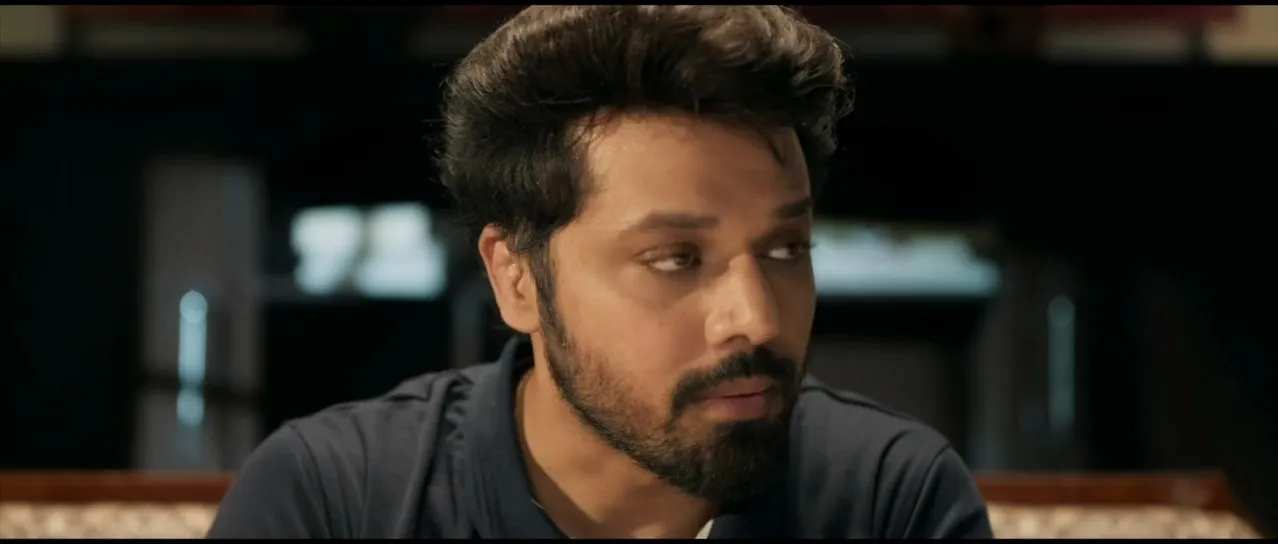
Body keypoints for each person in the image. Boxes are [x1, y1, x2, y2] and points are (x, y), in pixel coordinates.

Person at [208, 5, 993, 538]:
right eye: (675, 259)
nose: (756, 319)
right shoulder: (338, 501)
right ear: (517, 279)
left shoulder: (887, 498)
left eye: (786, 249)